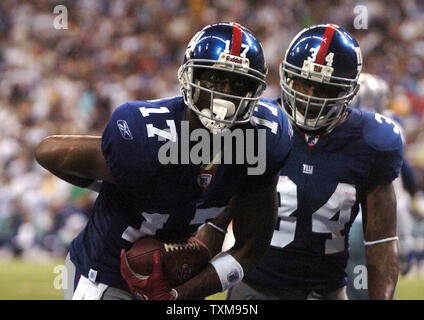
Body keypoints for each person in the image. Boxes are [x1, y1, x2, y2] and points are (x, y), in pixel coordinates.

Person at [35, 22, 293, 300]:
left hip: (172, 283)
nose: (224, 96)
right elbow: (47, 151)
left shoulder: (263, 138)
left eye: (239, 84)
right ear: (188, 77)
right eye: (214, 80)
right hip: (106, 274)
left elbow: (250, 246)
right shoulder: (146, 135)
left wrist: (176, 296)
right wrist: (110, 182)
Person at [226, 24, 403, 300]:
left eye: (324, 88)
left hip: (327, 292)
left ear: (347, 92)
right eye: (303, 82)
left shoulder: (372, 142)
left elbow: (381, 241)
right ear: (287, 77)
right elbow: (216, 219)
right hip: (254, 289)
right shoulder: (256, 125)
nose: (310, 96)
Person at [347, 73, 420, 299]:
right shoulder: (389, 129)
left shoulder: (340, 126)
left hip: (346, 217)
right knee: (375, 287)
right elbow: (401, 180)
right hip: (381, 215)